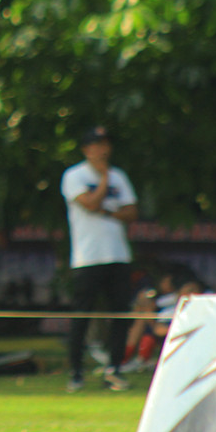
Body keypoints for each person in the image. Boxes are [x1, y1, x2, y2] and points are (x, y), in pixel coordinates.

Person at [61, 125, 138, 392]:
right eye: (97, 144)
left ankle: (114, 370)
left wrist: (107, 212)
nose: (103, 150)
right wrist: (104, 180)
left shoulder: (120, 176)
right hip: (88, 257)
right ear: (86, 149)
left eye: (106, 144)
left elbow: (130, 212)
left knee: (119, 314)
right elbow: (90, 203)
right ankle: (76, 372)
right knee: (82, 315)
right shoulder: (74, 175)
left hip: (117, 255)